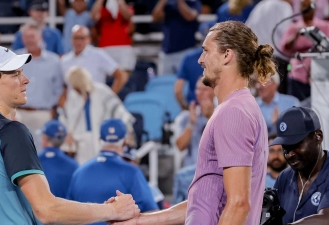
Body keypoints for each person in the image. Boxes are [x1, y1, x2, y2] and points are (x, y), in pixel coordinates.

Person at [111, 20, 276, 225]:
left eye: (206, 51)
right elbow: (201, 204)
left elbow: (238, 204)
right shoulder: (236, 108)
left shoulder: (233, 112)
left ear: (227, 55)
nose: (200, 59)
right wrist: (138, 220)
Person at [0, 45, 139, 225]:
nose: (25, 80)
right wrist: (113, 211)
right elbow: (47, 210)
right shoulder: (12, 131)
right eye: (15, 74)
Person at [67, 119, 158, 224]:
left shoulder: (79, 172)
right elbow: (152, 213)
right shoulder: (132, 172)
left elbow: (68, 215)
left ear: (100, 139)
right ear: (124, 141)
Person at [60, 66, 134, 165]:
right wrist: (67, 134)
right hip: (81, 143)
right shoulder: (73, 96)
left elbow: (120, 113)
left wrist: (127, 131)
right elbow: (66, 118)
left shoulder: (102, 91)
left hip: (103, 139)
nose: (74, 89)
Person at [270, 107, 329, 224]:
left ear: (318, 136)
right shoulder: (284, 178)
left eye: (296, 144)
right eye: (285, 147)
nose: (289, 154)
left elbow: (326, 219)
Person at [15, 22, 64, 151]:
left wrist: (53, 111)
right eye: (27, 37)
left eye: (33, 36)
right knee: (17, 152)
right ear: (22, 39)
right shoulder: (15, 59)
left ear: (40, 38)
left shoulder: (54, 61)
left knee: (42, 153)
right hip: (18, 113)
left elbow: (60, 88)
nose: (30, 40)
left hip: (43, 114)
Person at [280, 0, 329, 101]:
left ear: (315, 8)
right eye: (304, 6)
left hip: (319, 77)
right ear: (300, 8)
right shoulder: (293, 27)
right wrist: (295, 35)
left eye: (309, 6)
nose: (307, 9)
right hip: (297, 76)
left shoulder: (324, 26)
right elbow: (284, 48)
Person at [61, 25, 127, 94]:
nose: (78, 41)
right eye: (76, 38)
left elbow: (121, 75)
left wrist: (109, 96)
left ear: (89, 39)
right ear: (71, 39)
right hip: (74, 102)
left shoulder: (98, 55)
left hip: (95, 101)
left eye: (82, 38)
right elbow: (64, 86)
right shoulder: (65, 60)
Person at [246, 0, 293, 94]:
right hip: (276, 60)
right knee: (275, 95)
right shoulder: (285, 7)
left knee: (259, 95)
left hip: (257, 58)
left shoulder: (261, 5)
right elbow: (285, 30)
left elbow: (247, 29)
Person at [174, 77, 215, 167]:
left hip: (214, 169)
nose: (200, 93)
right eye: (198, 89)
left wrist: (210, 118)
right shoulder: (186, 117)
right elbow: (180, 147)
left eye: (204, 89)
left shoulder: (222, 114)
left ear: (213, 92)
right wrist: (191, 124)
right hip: (192, 170)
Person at [152, 0, 200, 75]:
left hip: (185, 51)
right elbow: (155, 17)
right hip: (167, 52)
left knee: (185, 83)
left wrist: (179, 2)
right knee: (164, 83)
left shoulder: (192, 2)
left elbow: (190, 17)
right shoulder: (168, 4)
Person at [91, 0, 136, 74]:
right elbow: (93, 16)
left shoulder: (128, 7)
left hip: (124, 46)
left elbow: (127, 16)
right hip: (105, 46)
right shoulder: (102, 10)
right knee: (106, 76)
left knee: (124, 75)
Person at [38, 120, 79, 198]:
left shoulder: (31, 161)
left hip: (34, 209)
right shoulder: (74, 166)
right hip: (65, 209)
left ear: (45, 138)